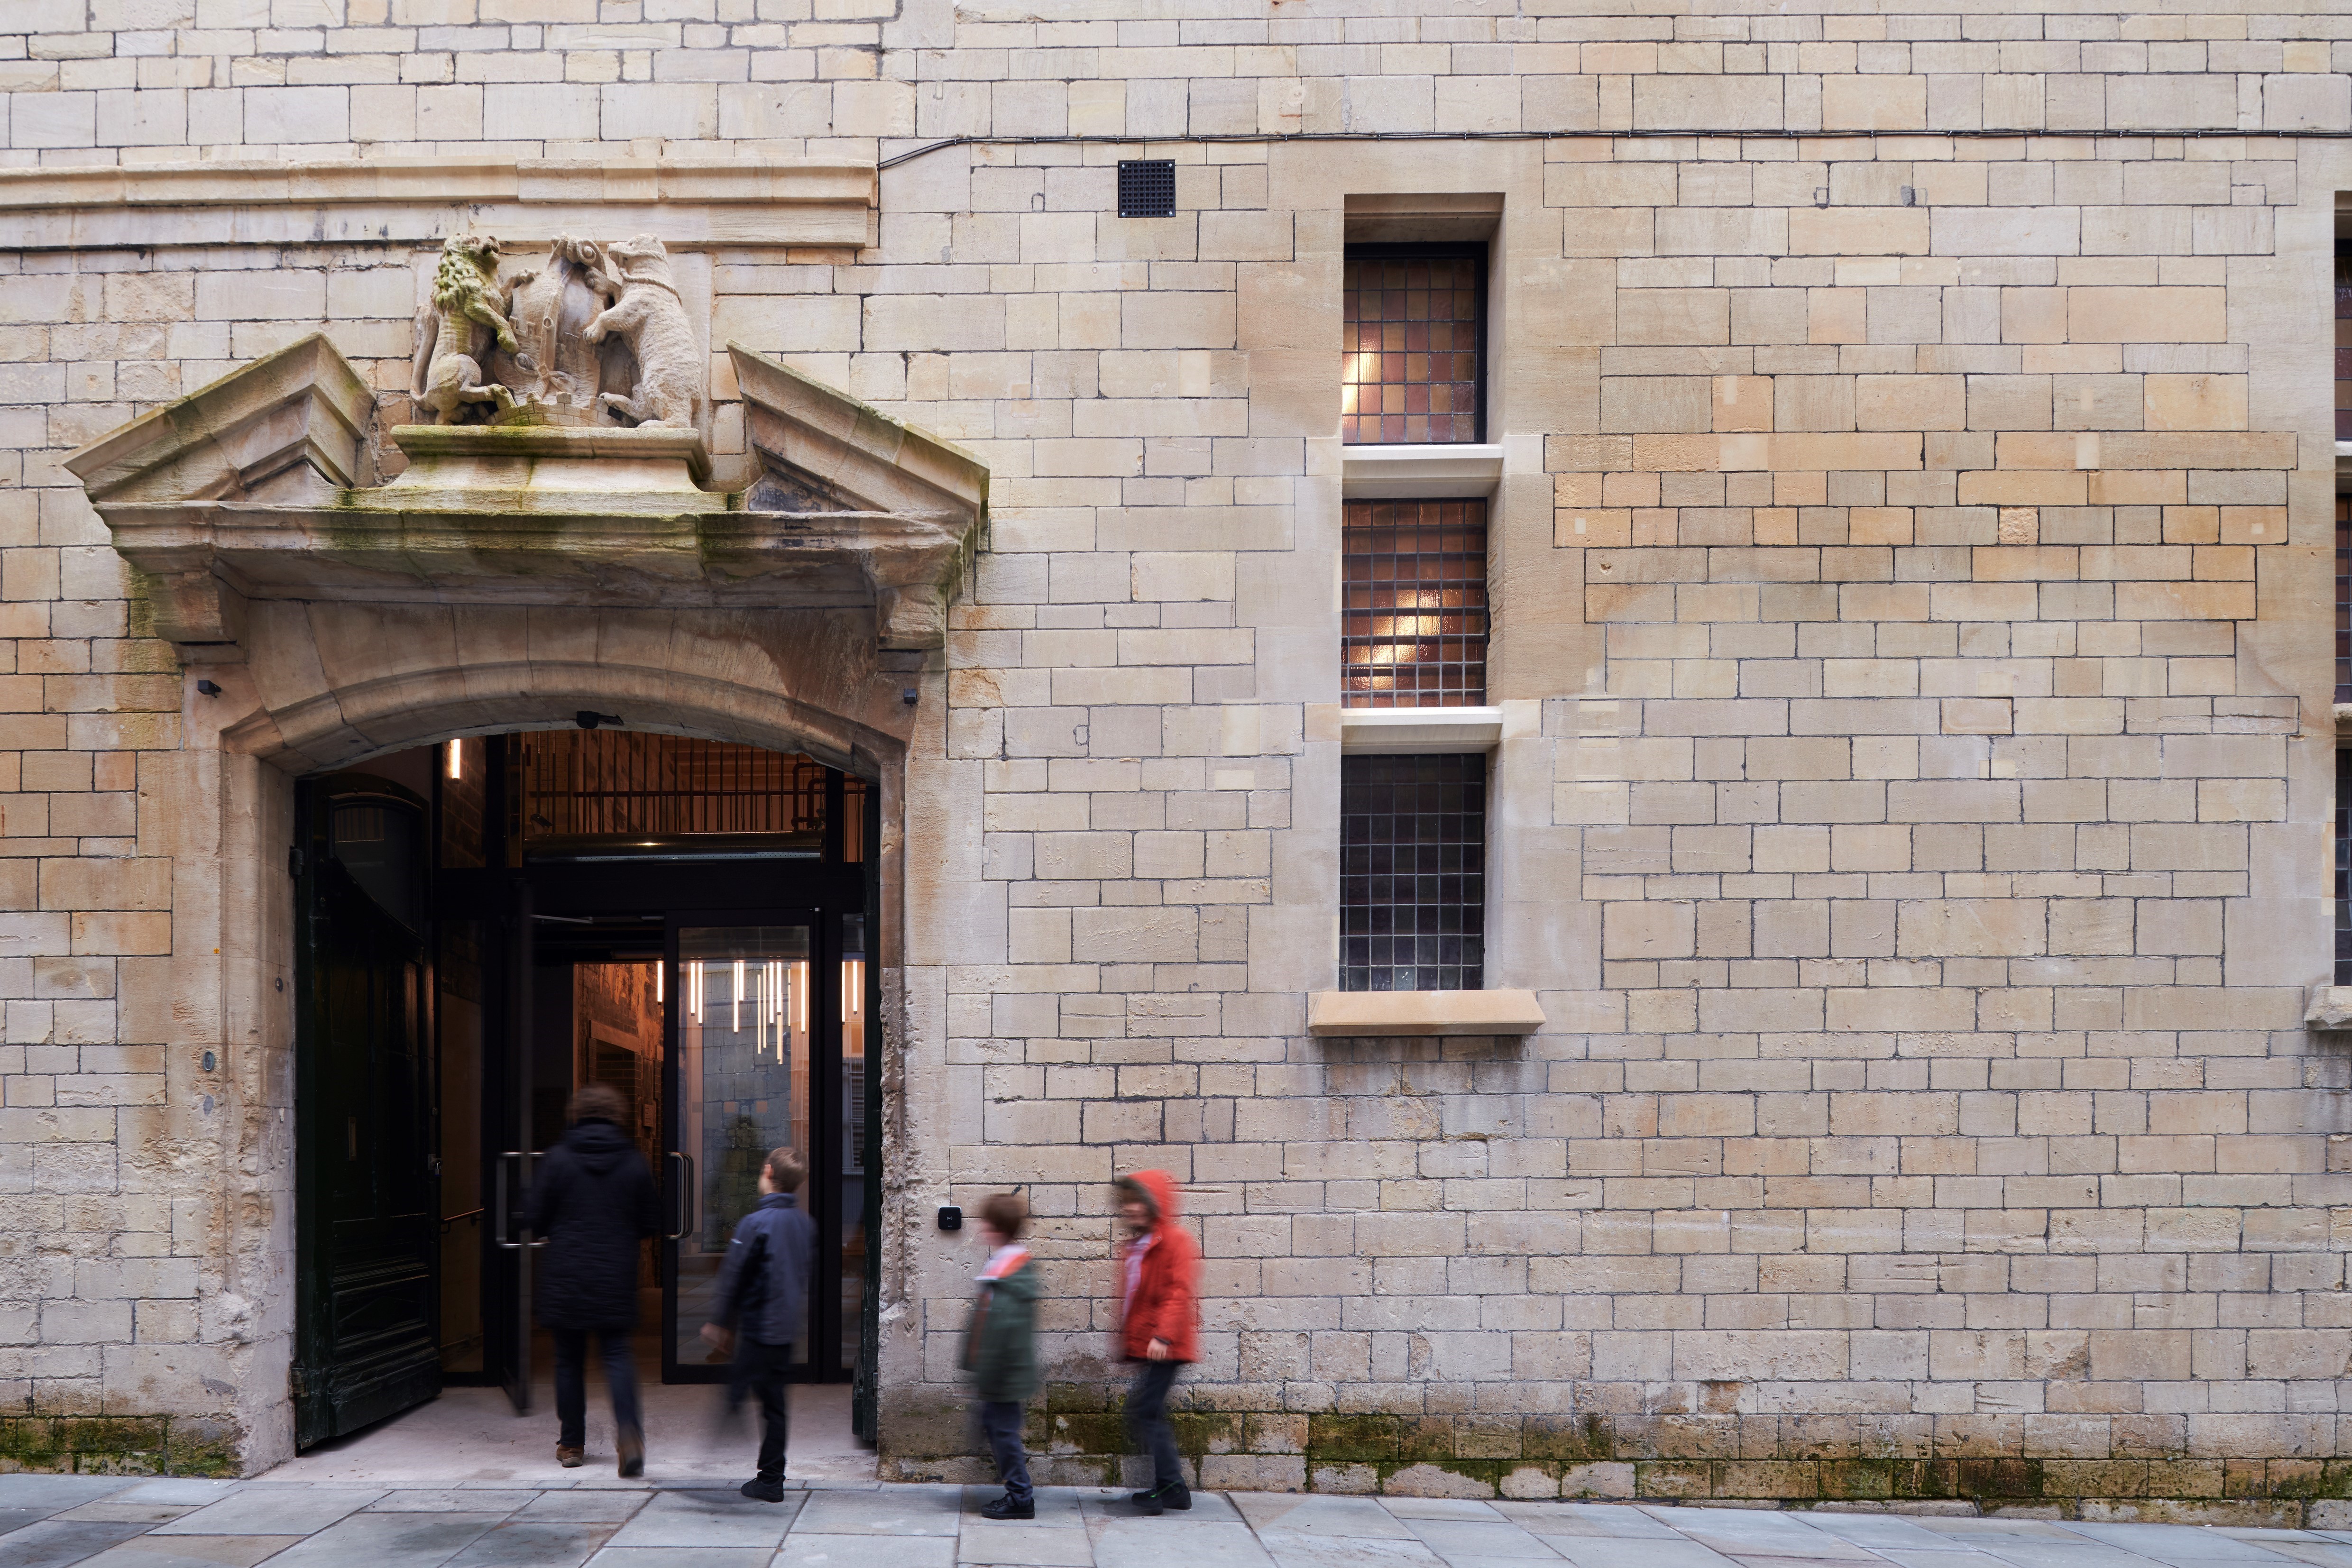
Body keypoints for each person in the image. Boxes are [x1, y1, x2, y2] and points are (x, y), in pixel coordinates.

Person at [527, 1082, 660, 1476]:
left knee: (568, 1360)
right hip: (614, 1274)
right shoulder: (633, 1161)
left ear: (577, 1114)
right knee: (617, 1355)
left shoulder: (557, 1159)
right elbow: (651, 1220)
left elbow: (534, 1216)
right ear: (615, 1115)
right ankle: (631, 1434)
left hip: (566, 1272)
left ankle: (571, 1444)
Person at [701, 1146, 816, 1503]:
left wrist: (720, 1322)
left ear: (768, 1172)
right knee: (775, 1405)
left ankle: (731, 1442)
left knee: (739, 1388)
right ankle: (771, 1477)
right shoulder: (804, 1223)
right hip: (784, 1328)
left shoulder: (755, 1223)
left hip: (758, 1324)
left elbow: (735, 1275)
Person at [1113, 1170, 1198, 1515]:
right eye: (1127, 1202)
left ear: (1153, 1203)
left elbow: (1178, 1292)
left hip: (1168, 1343)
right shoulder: (1139, 1245)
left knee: (1146, 1410)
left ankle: (1172, 1487)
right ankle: (1172, 1486)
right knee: (1148, 1410)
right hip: (1154, 1342)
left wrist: (1162, 1335)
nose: (1130, 1208)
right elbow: (1135, 1299)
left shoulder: (1175, 1241)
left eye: (1138, 1201)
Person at [963, 1192, 1039, 1521]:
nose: (981, 1228)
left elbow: (1003, 1334)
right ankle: (1017, 1490)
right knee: (996, 1429)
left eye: (985, 1222)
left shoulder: (1009, 1273)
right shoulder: (1002, 1267)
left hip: (1003, 1376)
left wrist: (984, 1373)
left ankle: (1021, 1497)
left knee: (1004, 1433)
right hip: (998, 1374)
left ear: (997, 1228)